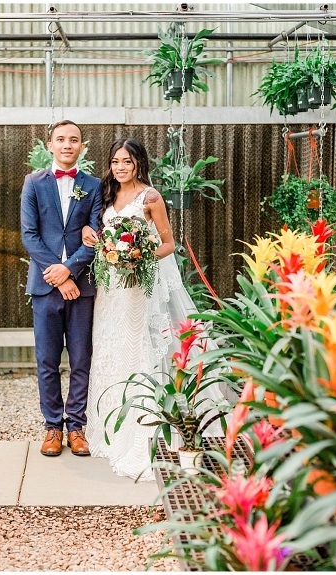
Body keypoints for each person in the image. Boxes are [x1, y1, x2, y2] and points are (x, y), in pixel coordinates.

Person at [82, 138, 227, 481]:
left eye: (127, 162)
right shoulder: (107, 194)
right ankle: (106, 427)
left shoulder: (151, 197)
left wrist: (137, 257)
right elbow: (102, 235)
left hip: (136, 286)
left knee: (136, 349)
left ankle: (142, 431)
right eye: (116, 161)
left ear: (139, 164)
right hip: (109, 288)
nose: (120, 167)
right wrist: (96, 236)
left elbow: (168, 244)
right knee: (108, 348)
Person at [20, 120, 103, 457]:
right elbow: (29, 234)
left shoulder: (94, 185)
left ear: (82, 147)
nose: (67, 145)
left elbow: (97, 236)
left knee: (81, 358)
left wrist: (70, 270)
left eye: (74, 140)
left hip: (82, 286)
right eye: (61, 139)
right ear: (50, 145)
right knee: (47, 360)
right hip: (45, 286)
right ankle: (53, 427)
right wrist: (58, 275)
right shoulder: (33, 182)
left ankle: (77, 427)